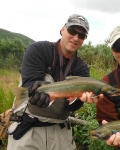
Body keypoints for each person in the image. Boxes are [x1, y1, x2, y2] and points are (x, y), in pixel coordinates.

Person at [7, 14, 97, 150]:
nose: (76, 38)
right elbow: (29, 82)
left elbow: (72, 107)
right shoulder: (38, 50)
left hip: (60, 129)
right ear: (62, 30)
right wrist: (35, 89)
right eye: (72, 31)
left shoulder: (82, 68)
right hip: (27, 125)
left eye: (82, 35)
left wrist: (80, 99)